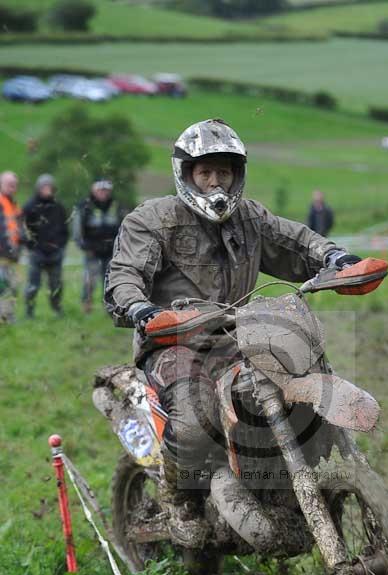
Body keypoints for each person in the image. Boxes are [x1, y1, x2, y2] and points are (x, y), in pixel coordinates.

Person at [105, 118, 362, 532]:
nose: (215, 182)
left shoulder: (249, 217)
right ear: (186, 174)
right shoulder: (152, 220)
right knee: (193, 421)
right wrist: (140, 308)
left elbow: (294, 240)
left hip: (241, 336)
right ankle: (178, 498)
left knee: (298, 388)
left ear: (236, 173)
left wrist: (335, 258)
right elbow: (124, 274)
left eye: (223, 171)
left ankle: (283, 484)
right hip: (174, 340)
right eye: (204, 172)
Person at [73, 178, 125, 313]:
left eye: (106, 190)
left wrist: (120, 247)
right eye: (100, 190)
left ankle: (110, 308)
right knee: (89, 281)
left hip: (111, 251)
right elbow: (77, 230)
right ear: (93, 190)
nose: (103, 193)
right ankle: (87, 306)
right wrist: (84, 247)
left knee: (110, 281)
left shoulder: (116, 205)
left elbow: (124, 228)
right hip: (92, 251)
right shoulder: (85, 206)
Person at [23, 174, 69, 318]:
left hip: (55, 253)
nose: (47, 190)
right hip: (37, 253)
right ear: (38, 188)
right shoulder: (30, 206)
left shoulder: (59, 206)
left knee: (56, 285)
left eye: (49, 187)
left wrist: (60, 246)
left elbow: (65, 229)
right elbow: (24, 229)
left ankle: (57, 310)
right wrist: (32, 247)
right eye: (44, 187)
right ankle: (29, 312)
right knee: (33, 285)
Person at [0, 171, 23, 324]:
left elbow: (18, 228)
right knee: (3, 286)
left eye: (14, 185)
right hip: (2, 253)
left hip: (12, 254)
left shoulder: (14, 204)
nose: (12, 187)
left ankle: (7, 316)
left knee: (12, 286)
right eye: (9, 184)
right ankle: (5, 317)